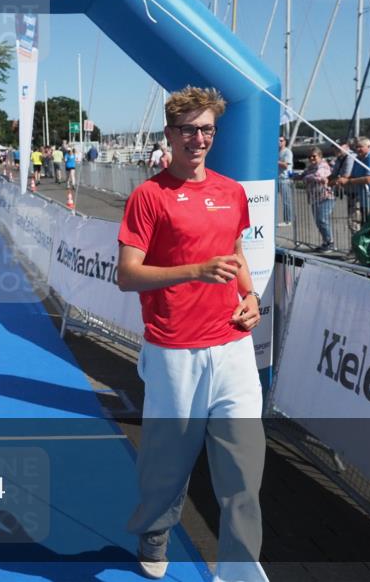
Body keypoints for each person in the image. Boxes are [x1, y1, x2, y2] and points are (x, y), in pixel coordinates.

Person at [116, 86, 266, 581]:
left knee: (244, 472)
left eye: (206, 130)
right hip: (173, 350)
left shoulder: (230, 191)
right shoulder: (148, 196)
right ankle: (155, 531)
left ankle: (240, 571)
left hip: (232, 348)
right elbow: (127, 274)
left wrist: (251, 297)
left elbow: (236, 253)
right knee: (167, 463)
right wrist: (194, 271)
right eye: (188, 130)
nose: (198, 138)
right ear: (170, 134)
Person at [337, 136, 370, 226]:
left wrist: (348, 182)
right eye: (356, 147)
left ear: (369, 147)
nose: (358, 149)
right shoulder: (358, 158)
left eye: (361, 146)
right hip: (364, 197)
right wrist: (342, 179)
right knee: (364, 223)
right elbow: (353, 174)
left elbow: (368, 179)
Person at [300, 147, 335, 252]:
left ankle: (330, 243)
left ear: (320, 156)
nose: (311, 158)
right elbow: (304, 175)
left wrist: (306, 177)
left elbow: (317, 175)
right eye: (309, 156)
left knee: (322, 220)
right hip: (315, 198)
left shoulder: (323, 165)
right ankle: (325, 242)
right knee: (318, 222)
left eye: (314, 156)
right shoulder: (311, 167)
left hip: (326, 197)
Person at [277, 135, 293, 226]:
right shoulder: (277, 152)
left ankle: (288, 220)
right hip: (277, 178)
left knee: (286, 200)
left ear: (285, 142)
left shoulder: (287, 152)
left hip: (284, 179)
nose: (279, 142)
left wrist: (275, 161)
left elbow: (286, 165)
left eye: (281, 140)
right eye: (278, 140)